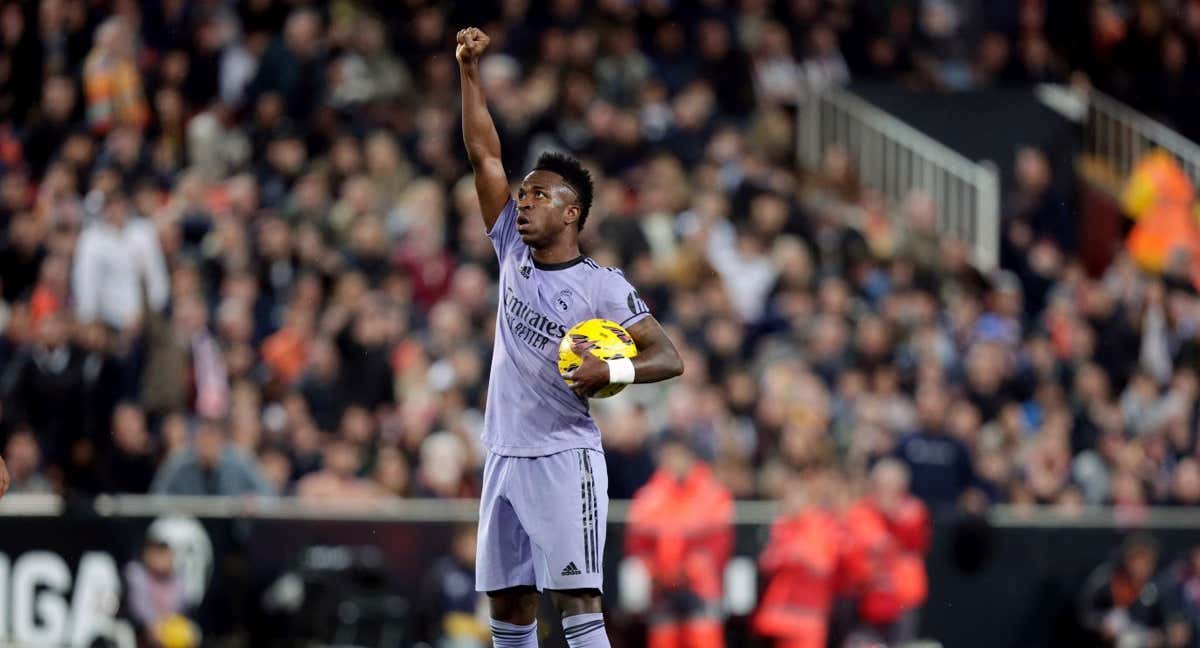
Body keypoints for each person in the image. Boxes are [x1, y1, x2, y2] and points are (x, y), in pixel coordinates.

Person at [456, 27, 685, 648]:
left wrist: (612, 373)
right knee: (508, 605)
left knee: (576, 599)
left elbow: (669, 356)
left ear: (572, 213)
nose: (522, 202)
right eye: (522, 193)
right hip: (503, 450)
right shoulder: (510, 248)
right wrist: (470, 73)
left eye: (538, 195)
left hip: (565, 455)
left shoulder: (603, 288)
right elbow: (484, 156)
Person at [626, 435, 733, 648]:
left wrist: (692, 569)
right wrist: (655, 572)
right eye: (669, 457)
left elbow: (719, 542)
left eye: (679, 456)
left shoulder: (712, 493)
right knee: (663, 640)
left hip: (701, 587)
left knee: (704, 640)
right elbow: (637, 542)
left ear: (691, 457)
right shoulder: (650, 495)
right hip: (662, 589)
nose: (674, 462)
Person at [753, 468, 842, 648]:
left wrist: (800, 555)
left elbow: (825, 566)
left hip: (809, 611)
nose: (789, 502)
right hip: (784, 613)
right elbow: (766, 562)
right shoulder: (783, 525)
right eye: (786, 497)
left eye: (795, 496)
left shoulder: (822, 525)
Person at [1079, 534, 1170, 647]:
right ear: (1126, 560)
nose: (1141, 566)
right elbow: (1085, 614)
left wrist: (1160, 635)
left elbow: (1165, 623)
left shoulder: (1157, 586)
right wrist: (1102, 624)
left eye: (1147, 561)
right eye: (1136, 560)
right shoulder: (1105, 581)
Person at [150, 420, 275, 496]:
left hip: (234, 529)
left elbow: (268, 494)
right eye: (203, 440)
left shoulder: (239, 460)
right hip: (189, 526)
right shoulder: (179, 461)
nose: (207, 446)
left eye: (212, 440)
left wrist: (254, 502)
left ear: (221, 441)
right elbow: (157, 497)